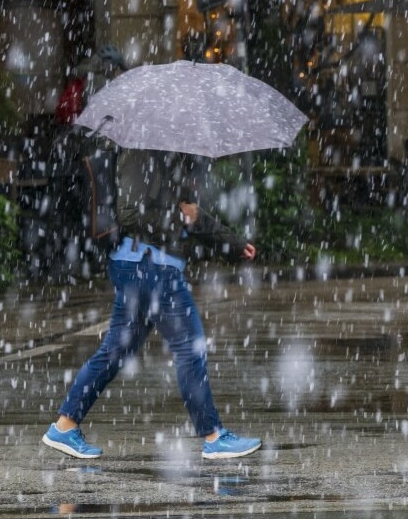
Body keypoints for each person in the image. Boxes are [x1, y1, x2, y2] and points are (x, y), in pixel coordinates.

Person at [43, 149, 262, 460]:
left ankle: (65, 426)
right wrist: (177, 216)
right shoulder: (139, 155)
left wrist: (234, 243)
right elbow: (130, 213)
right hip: (149, 267)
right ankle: (213, 436)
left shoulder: (168, 156)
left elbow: (190, 212)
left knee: (115, 351)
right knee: (189, 347)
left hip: (145, 265)